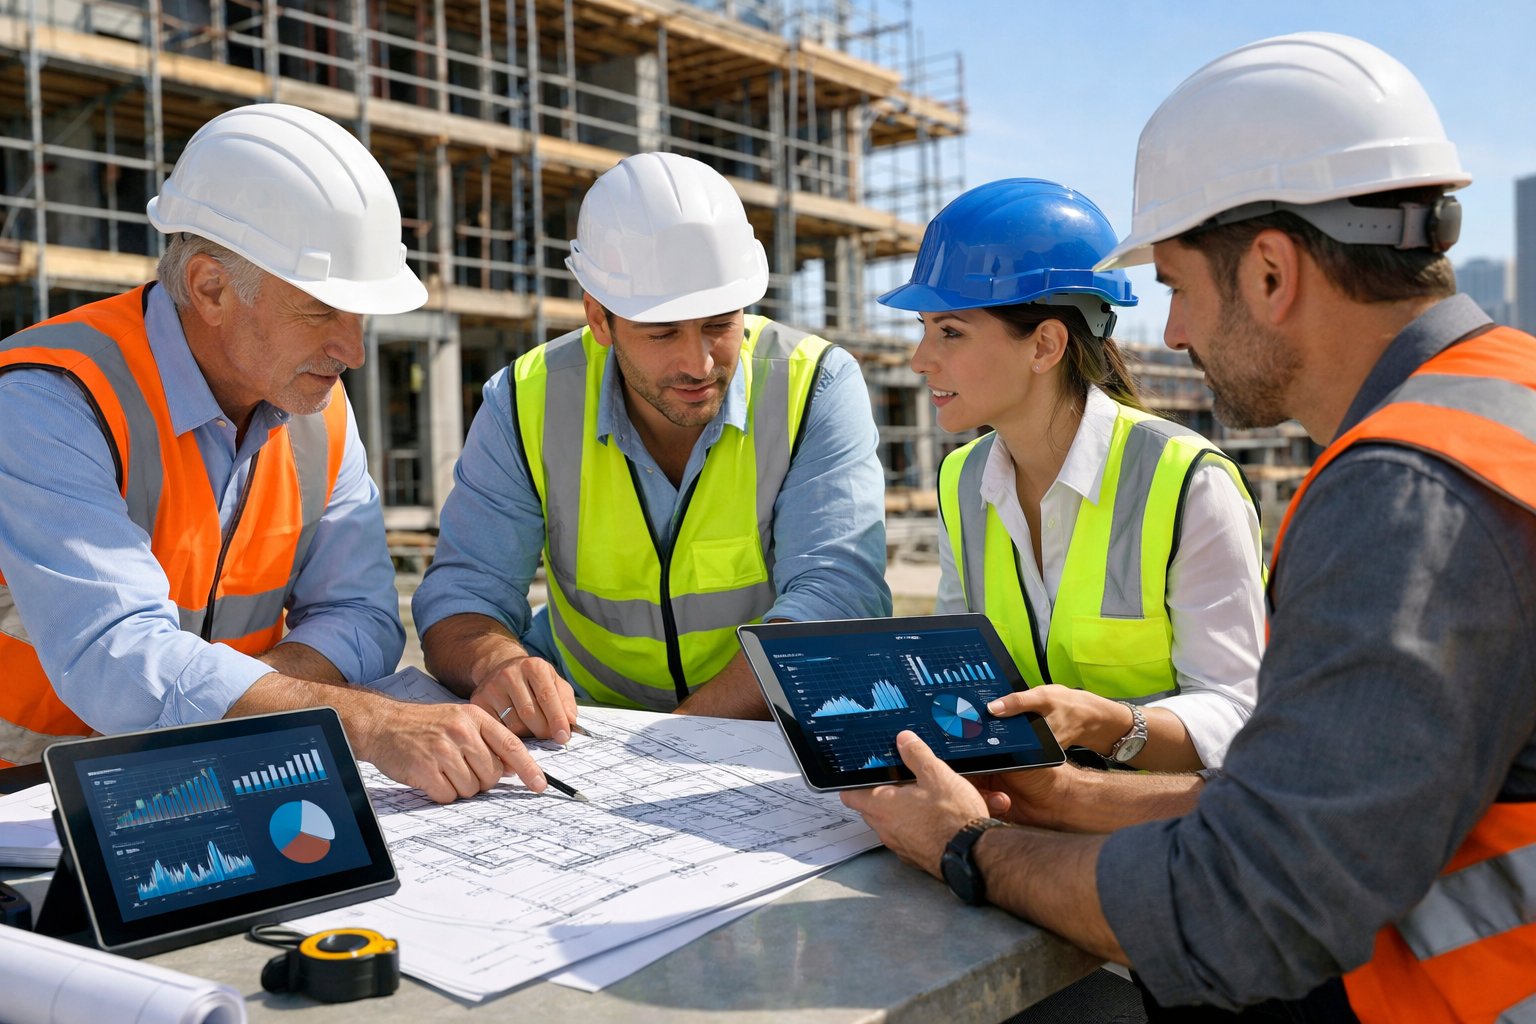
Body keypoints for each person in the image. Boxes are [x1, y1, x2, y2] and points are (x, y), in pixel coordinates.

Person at [842, 31, 1536, 1022]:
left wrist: (968, 846)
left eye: (1175, 284)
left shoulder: (1408, 491)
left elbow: (1245, 907)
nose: (1167, 333)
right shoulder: (1499, 402)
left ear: (1268, 272)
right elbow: (1313, 802)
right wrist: (1063, 794)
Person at [0, 103, 551, 804]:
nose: (352, 351)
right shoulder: (47, 399)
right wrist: (366, 723)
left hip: (207, 785)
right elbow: (117, 658)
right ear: (210, 287)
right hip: (27, 806)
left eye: (361, 317)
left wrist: (263, 697)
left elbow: (366, 616)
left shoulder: (318, 415)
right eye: (321, 310)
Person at [414, 151, 891, 726]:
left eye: (720, 324)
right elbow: (463, 594)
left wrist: (680, 738)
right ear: (598, 318)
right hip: (586, 725)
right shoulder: (523, 401)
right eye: (662, 333)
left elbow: (837, 601)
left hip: (768, 727)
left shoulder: (814, 385)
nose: (699, 362)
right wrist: (498, 662)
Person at [878, 178, 1263, 771]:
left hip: (1162, 831)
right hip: (1028, 806)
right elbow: (959, 667)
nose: (919, 359)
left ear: (1044, 345)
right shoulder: (962, 479)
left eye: (949, 331)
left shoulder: (1189, 483)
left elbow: (1240, 715)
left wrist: (1110, 725)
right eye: (922, 329)